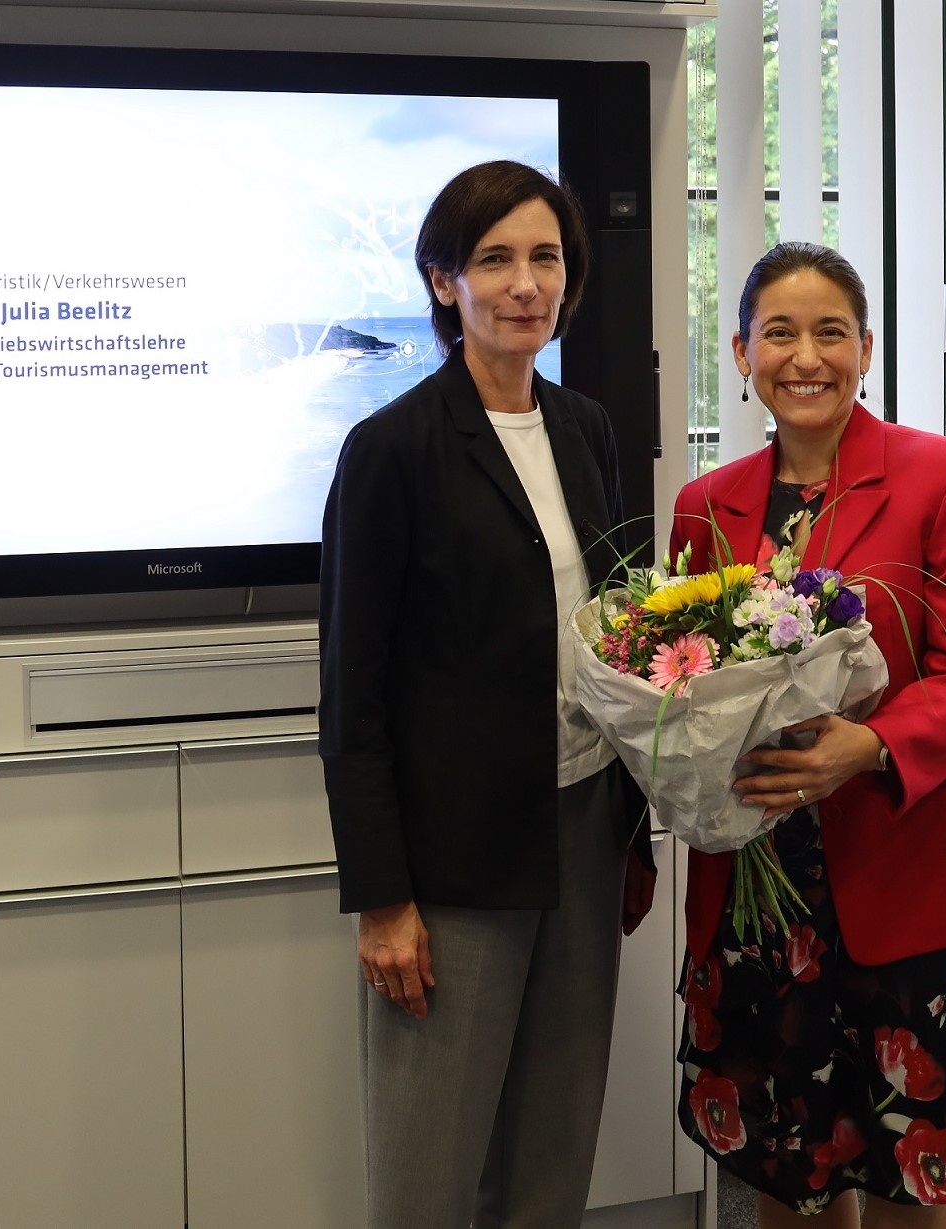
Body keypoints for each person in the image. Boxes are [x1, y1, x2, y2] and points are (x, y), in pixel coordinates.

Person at [669, 241, 946, 1228]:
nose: (805, 357)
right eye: (778, 333)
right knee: (788, 1175)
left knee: (905, 1177)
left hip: (900, 866)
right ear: (741, 352)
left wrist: (865, 746)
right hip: (756, 885)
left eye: (830, 332)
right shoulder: (705, 505)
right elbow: (680, 682)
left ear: (864, 349)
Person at [318, 159, 657, 1229]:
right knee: (427, 1172)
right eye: (495, 259)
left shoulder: (586, 429)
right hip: (452, 865)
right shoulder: (390, 450)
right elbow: (352, 699)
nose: (525, 284)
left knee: (551, 1158)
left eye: (545, 258)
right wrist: (383, 898)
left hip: (581, 830)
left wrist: (633, 834)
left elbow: (619, 641)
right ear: (443, 282)